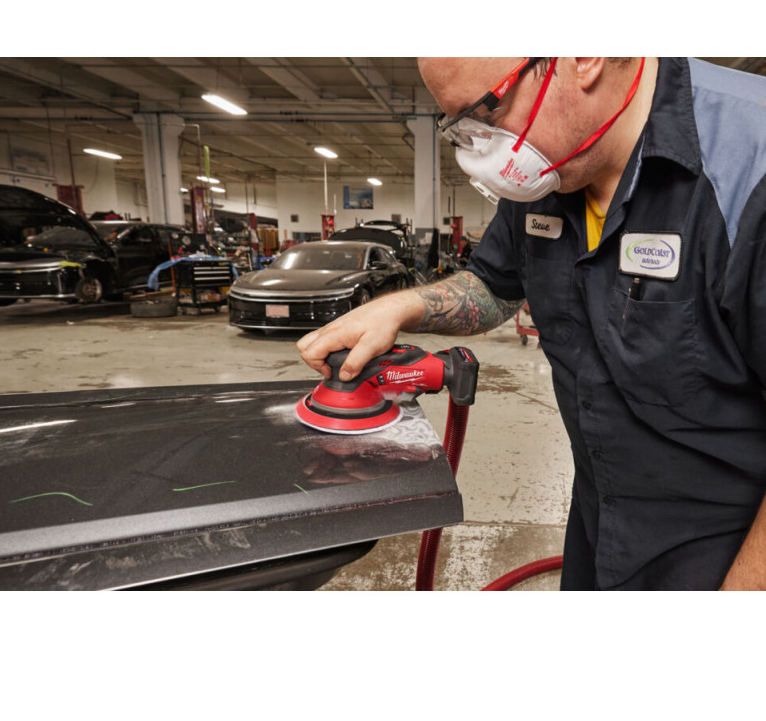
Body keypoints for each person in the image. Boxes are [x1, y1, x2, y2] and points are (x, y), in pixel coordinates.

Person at [297, 57, 766, 591]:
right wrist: (400, 308)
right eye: (462, 127)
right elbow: (495, 287)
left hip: (728, 550)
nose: (482, 151)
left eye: (488, 112)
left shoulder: (748, 164)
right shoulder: (551, 170)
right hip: (598, 514)